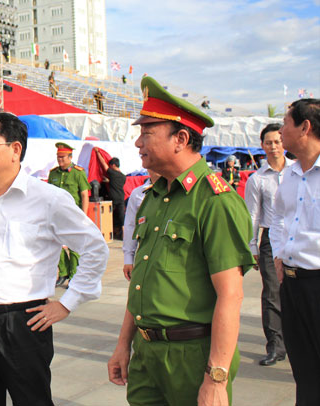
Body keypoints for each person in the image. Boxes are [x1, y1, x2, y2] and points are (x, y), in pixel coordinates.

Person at [0, 108, 108, 405]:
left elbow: (95, 248)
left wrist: (68, 302)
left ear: (15, 149)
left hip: (23, 323)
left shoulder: (48, 199)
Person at [107, 76, 255, 406]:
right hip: (147, 354)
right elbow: (141, 284)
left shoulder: (215, 201)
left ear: (181, 138)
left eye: (147, 132)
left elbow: (230, 295)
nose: (138, 142)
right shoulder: (155, 197)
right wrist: (123, 344)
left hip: (191, 356)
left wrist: (216, 378)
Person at [270, 98, 320, 406]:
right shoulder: (288, 176)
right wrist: (278, 253)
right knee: (304, 370)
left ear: (305, 127)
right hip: (293, 284)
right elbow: (278, 218)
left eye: (286, 124)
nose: (281, 131)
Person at [243, 123, 292, 367]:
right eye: (268, 142)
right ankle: (275, 345)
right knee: (272, 293)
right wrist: (251, 248)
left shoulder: (299, 171)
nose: (274, 147)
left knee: (301, 292)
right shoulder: (257, 179)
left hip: (298, 239)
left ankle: (300, 341)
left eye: (277, 141)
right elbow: (251, 215)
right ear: (262, 146)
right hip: (271, 240)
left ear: (285, 142)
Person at [47, 142, 91, 287]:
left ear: (70, 157)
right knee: (56, 244)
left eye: (63, 157)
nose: (60, 160)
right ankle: (64, 272)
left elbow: (84, 195)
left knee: (74, 247)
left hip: (73, 215)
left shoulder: (78, 173)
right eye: (58, 157)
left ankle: (74, 276)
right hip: (57, 215)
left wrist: (84, 217)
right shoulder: (53, 173)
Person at [121, 169, 160, 281]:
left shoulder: (176, 192)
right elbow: (130, 226)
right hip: (145, 255)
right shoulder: (138, 194)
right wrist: (128, 259)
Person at [95, 153, 126, 240]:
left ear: (113, 165)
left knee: (107, 216)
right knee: (121, 218)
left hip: (113, 198)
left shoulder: (113, 173)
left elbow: (104, 165)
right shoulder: (123, 176)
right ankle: (124, 235)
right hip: (121, 197)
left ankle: (106, 233)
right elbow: (116, 184)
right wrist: (109, 181)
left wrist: (98, 153)